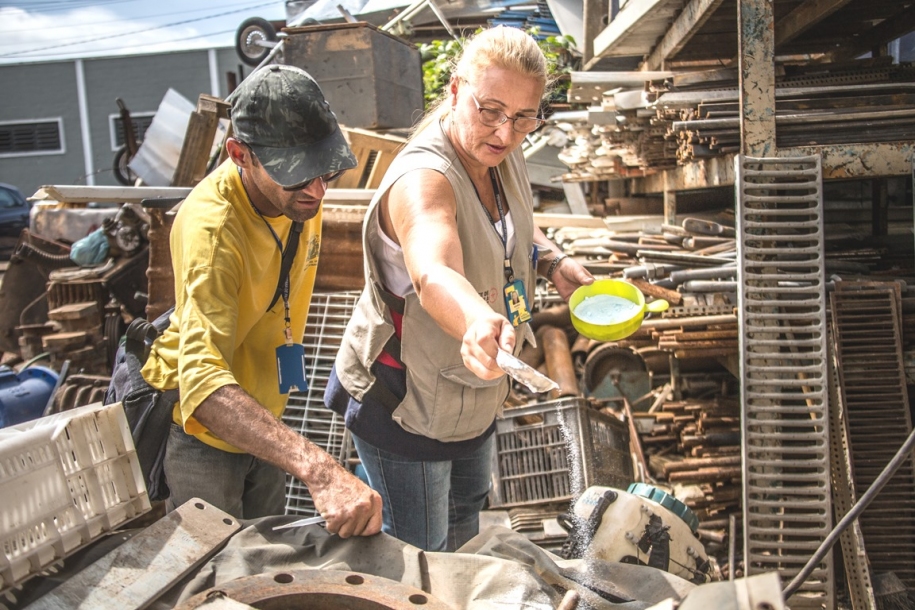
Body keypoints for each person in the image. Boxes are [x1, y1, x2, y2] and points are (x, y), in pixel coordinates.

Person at [325, 26, 594, 551]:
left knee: (464, 519)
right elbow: (433, 270)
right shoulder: (423, 179)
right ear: (454, 91)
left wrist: (552, 261)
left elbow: (512, 223)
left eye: (524, 117)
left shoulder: (500, 150)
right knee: (420, 548)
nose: (505, 132)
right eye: (490, 110)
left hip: (471, 392)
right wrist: (475, 322)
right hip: (406, 400)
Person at [139, 64, 382, 536]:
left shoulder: (302, 196)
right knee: (215, 567)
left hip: (264, 420)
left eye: (326, 170)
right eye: (297, 174)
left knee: (269, 559)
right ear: (239, 154)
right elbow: (203, 386)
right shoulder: (213, 232)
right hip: (204, 435)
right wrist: (320, 469)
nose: (317, 189)